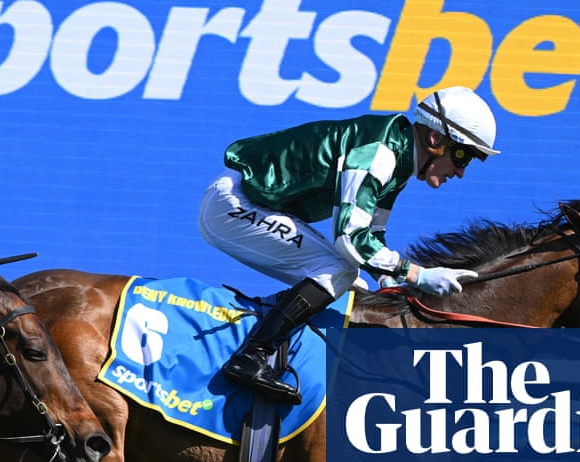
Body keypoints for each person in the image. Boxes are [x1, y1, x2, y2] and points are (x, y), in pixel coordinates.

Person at [198, 86, 499, 402]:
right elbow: (350, 239)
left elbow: (373, 234)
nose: (461, 172)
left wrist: (389, 280)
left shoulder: (399, 157)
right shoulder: (380, 154)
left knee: (355, 286)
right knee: (339, 268)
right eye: (463, 156)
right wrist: (416, 274)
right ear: (435, 139)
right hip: (233, 204)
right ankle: (253, 354)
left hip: (252, 204)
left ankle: (288, 358)